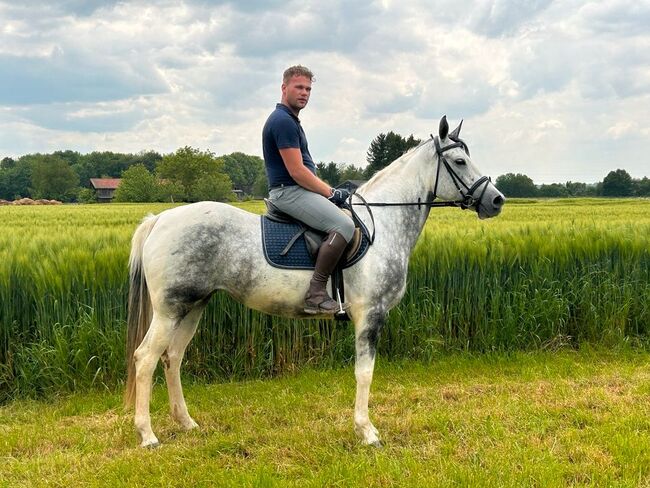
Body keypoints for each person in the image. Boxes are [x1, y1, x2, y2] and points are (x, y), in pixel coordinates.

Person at [262, 65, 354, 315]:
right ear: (284, 88)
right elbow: (298, 172)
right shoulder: (283, 121)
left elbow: (306, 170)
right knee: (344, 226)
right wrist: (331, 193)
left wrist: (328, 191)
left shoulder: (290, 120)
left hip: (296, 190)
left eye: (308, 89)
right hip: (289, 192)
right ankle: (315, 293)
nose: (304, 93)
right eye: (299, 87)